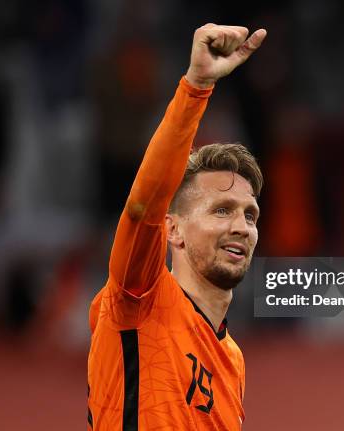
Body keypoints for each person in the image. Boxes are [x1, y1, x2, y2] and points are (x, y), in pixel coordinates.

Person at [87, 23, 267, 430]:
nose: (241, 226)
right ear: (173, 230)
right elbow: (142, 206)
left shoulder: (232, 359)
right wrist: (197, 87)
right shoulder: (142, 295)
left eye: (250, 214)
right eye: (221, 210)